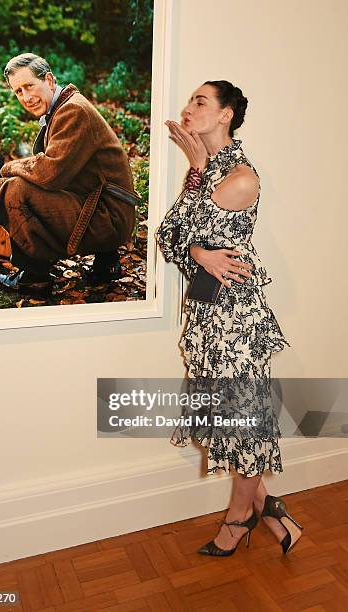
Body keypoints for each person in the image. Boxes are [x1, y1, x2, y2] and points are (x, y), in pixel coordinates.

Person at [156, 80, 303, 556]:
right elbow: (172, 238)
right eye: (191, 100)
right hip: (206, 314)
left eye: (200, 101)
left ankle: (239, 519)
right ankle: (273, 514)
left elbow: (185, 229)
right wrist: (200, 251)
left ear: (226, 116)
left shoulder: (240, 178)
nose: (188, 108)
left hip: (235, 318)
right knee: (225, 417)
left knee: (244, 421)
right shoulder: (207, 172)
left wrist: (196, 180)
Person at [0, 53, 139, 297]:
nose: (26, 97)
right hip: (107, 206)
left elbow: (51, 173)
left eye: (29, 86)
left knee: (15, 190)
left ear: (49, 81)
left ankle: (34, 275)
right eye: (18, 91)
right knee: (21, 185)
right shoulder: (64, 107)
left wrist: (9, 167)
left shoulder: (73, 110)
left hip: (110, 216)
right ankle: (107, 261)